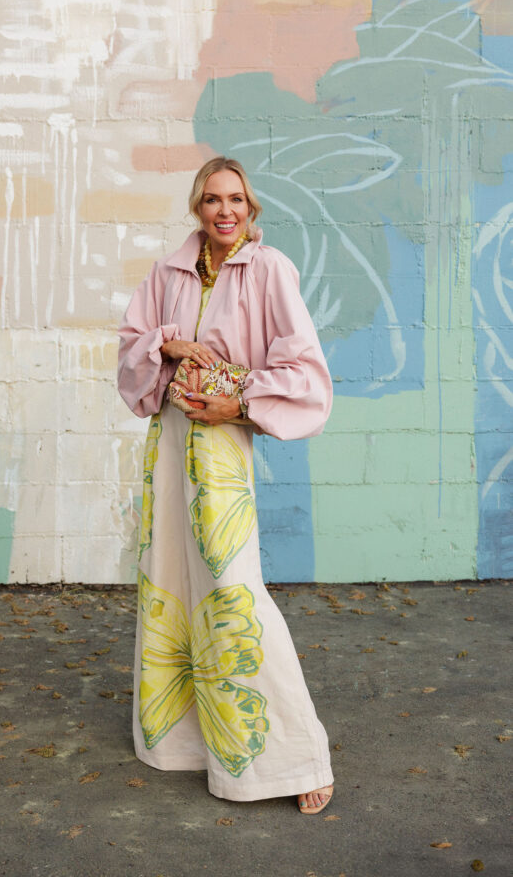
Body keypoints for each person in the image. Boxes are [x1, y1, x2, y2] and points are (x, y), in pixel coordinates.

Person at [116, 156, 335, 814]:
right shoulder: (168, 272)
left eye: (235, 199)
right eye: (212, 200)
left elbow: (304, 374)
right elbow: (129, 354)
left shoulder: (269, 270)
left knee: (233, 596)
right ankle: (184, 741)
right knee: (173, 583)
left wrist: (236, 406)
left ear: (251, 206)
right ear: (196, 207)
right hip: (168, 444)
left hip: (218, 447)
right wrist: (169, 345)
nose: (224, 211)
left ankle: (292, 760)